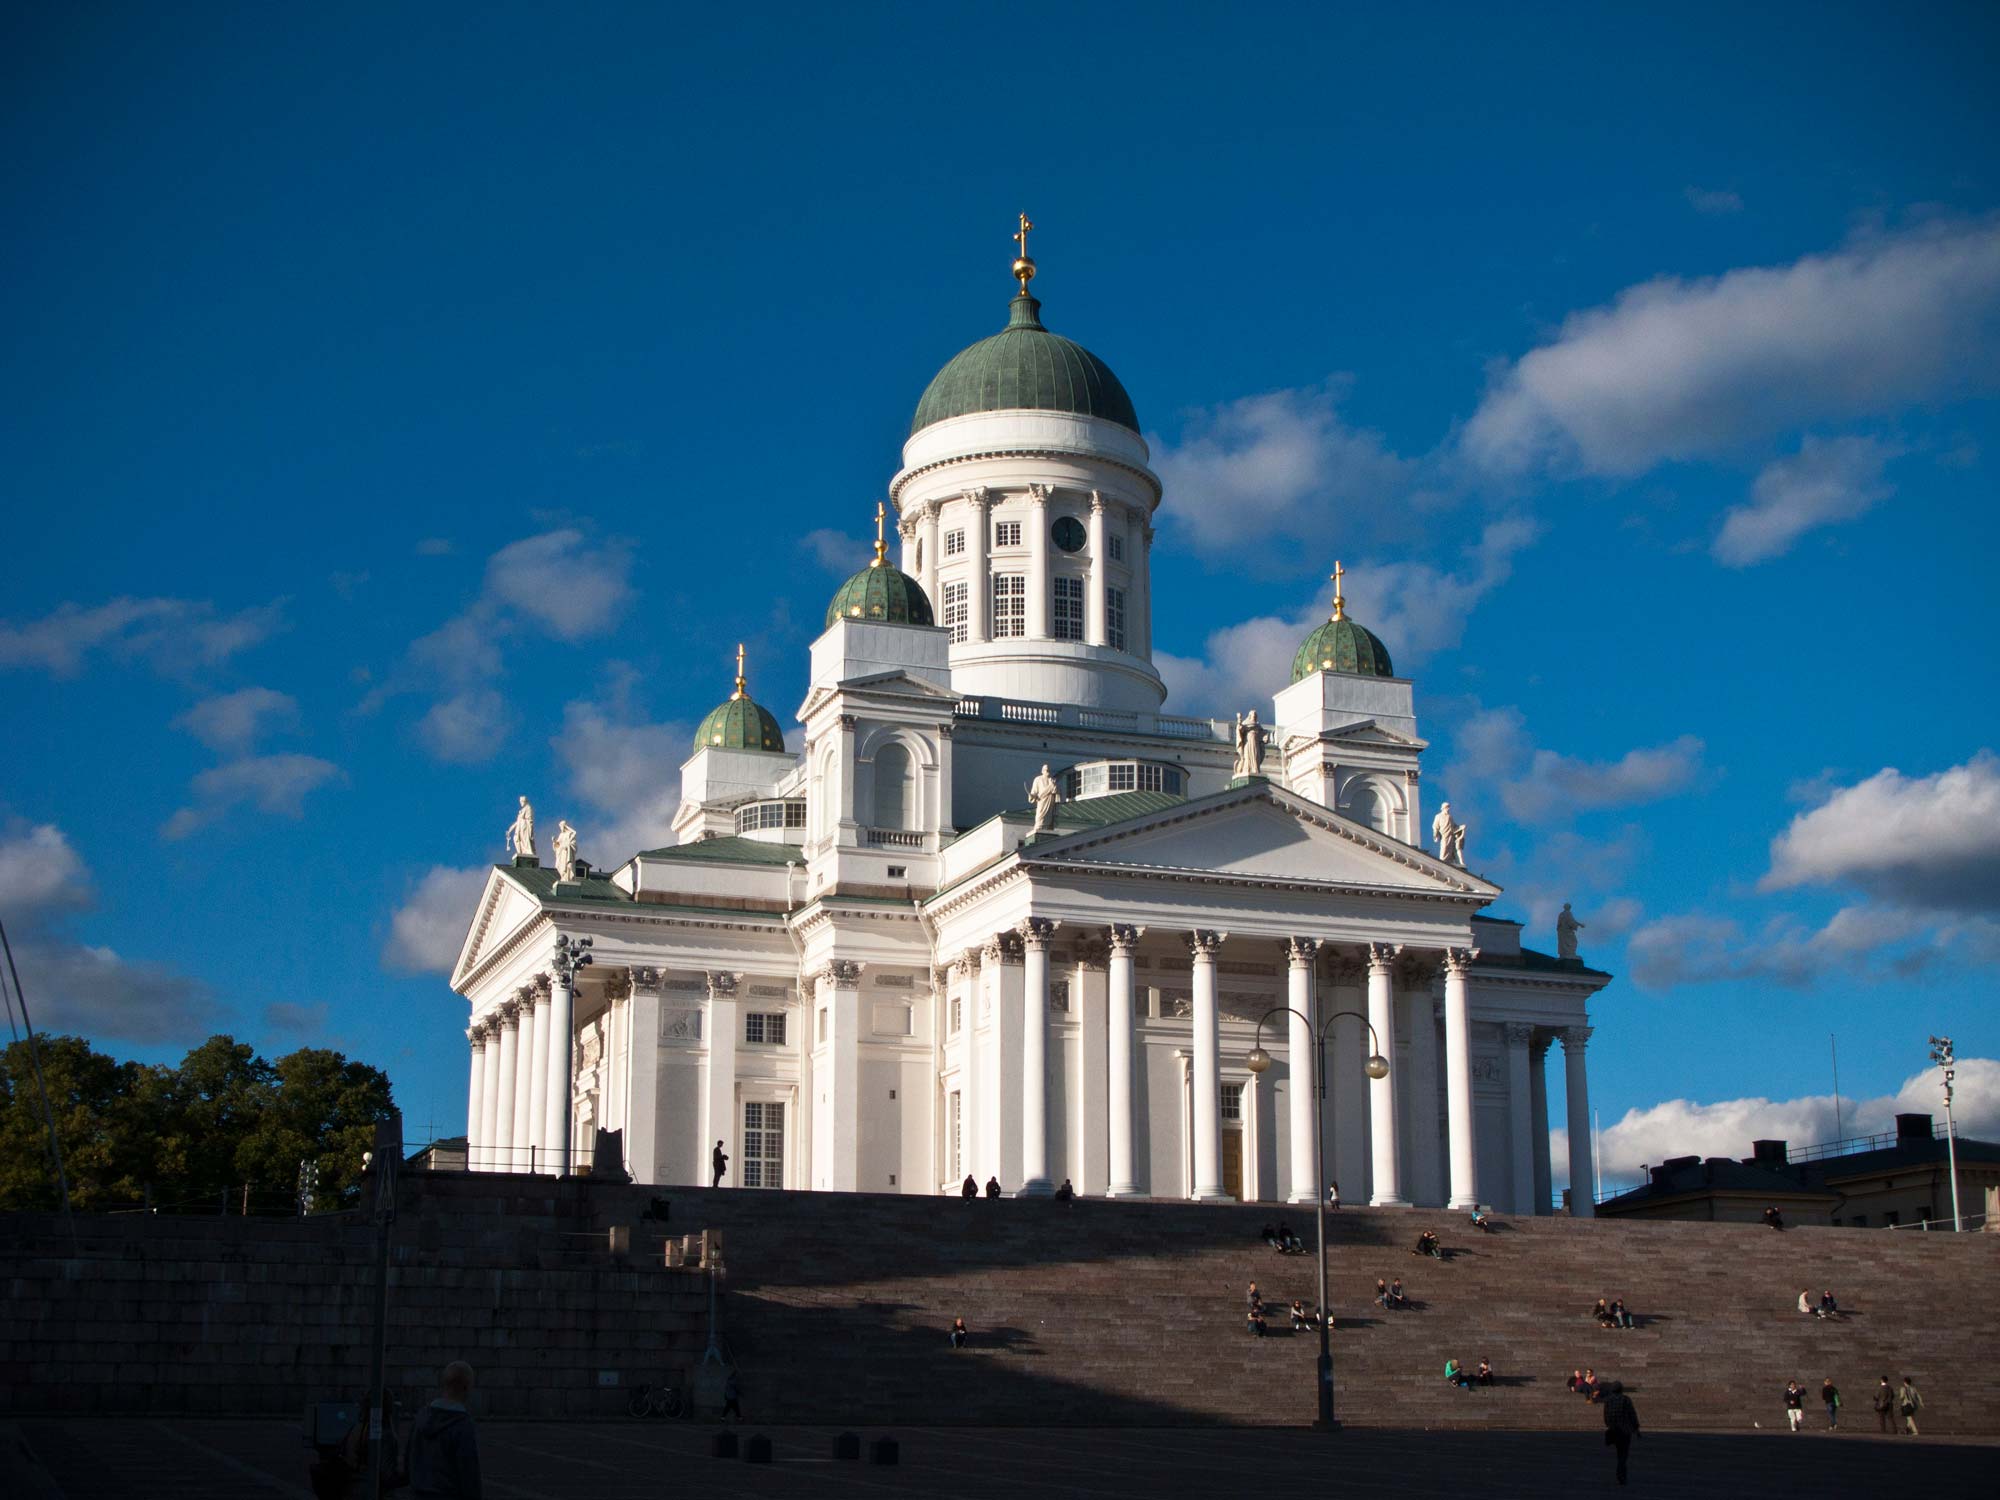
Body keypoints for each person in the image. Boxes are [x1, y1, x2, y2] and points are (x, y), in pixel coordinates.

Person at [407, 1361, 482, 1500]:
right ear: (466, 1387)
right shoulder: (463, 1425)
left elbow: (408, 1462)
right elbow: (469, 1475)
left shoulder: (421, 1416)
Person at [1601, 1379, 1640, 1486]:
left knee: (1619, 1452)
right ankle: (1621, 1473)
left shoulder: (1608, 1400)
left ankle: (1620, 1471)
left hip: (1614, 1429)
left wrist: (1609, 1425)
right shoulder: (1625, 1399)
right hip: (1625, 1430)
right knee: (1623, 1454)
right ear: (1621, 1390)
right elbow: (1632, 1414)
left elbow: (1606, 1415)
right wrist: (1636, 1428)